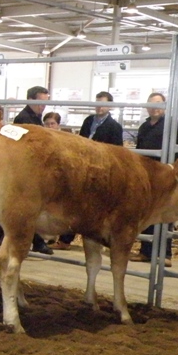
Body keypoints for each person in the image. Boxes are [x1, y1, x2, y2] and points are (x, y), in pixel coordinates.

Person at [51, 93, 124, 250]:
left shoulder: (115, 127)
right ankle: (65, 240)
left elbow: (117, 151)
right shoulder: (88, 121)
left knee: (94, 206)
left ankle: (98, 240)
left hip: (100, 169)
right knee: (75, 203)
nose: (99, 107)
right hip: (83, 166)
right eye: (97, 103)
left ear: (110, 106)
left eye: (103, 104)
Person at [130, 92, 178, 267]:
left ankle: (165, 254)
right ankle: (146, 251)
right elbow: (139, 151)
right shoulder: (144, 127)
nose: (155, 107)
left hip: (165, 175)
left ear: (165, 106)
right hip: (147, 177)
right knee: (147, 213)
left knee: (163, 214)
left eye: (159, 104)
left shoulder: (173, 124)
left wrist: (177, 172)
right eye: (152, 104)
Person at [13, 85, 53, 255]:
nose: (43, 106)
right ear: (30, 100)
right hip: (27, 166)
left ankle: (35, 241)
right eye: (40, 102)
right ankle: (35, 241)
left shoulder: (35, 117)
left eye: (45, 102)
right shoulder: (24, 118)